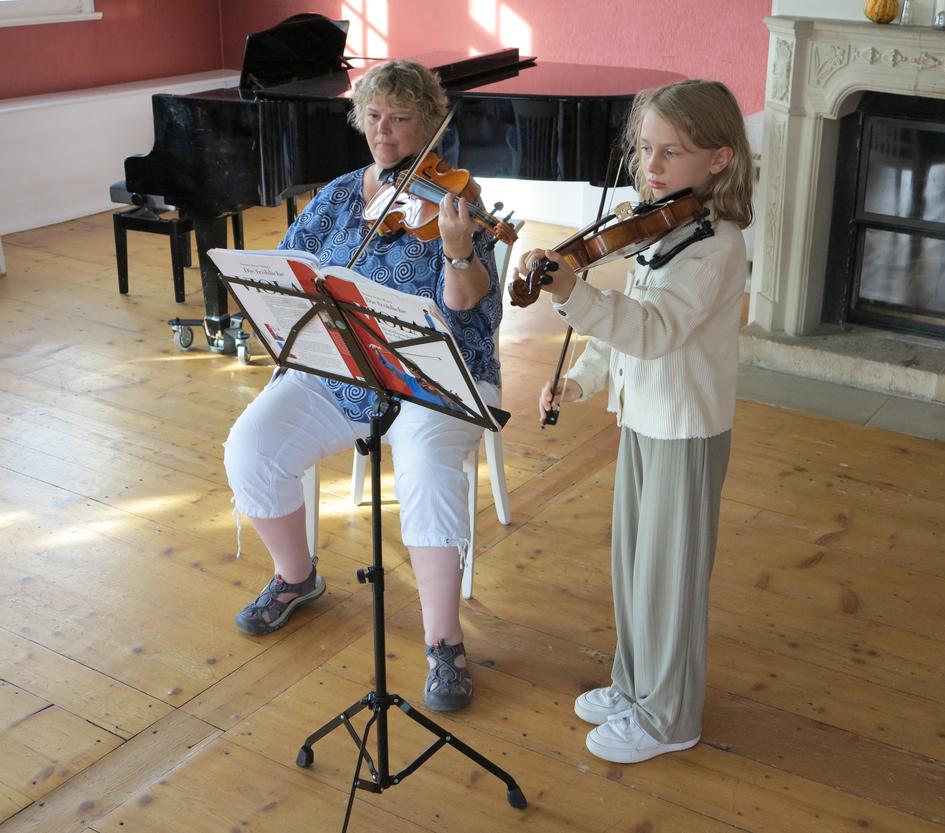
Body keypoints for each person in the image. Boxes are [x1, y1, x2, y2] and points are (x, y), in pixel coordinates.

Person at [223, 61, 502, 712]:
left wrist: (459, 252)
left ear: (430, 125)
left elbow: (468, 309)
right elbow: (289, 265)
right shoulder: (344, 192)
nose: (384, 130)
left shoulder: (459, 202)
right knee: (250, 446)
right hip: (341, 363)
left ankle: (443, 642)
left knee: (428, 472)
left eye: (401, 118)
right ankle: (297, 578)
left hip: (428, 371)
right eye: (374, 116)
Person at [516, 80, 754, 763]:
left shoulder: (715, 246)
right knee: (633, 566)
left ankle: (670, 714)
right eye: (645, 149)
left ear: (719, 159)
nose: (651, 166)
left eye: (671, 152)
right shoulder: (662, 225)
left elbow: (651, 330)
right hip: (644, 420)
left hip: (687, 428)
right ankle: (635, 684)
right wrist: (580, 379)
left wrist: (570, 292)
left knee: (670, 578)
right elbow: (621, 333)